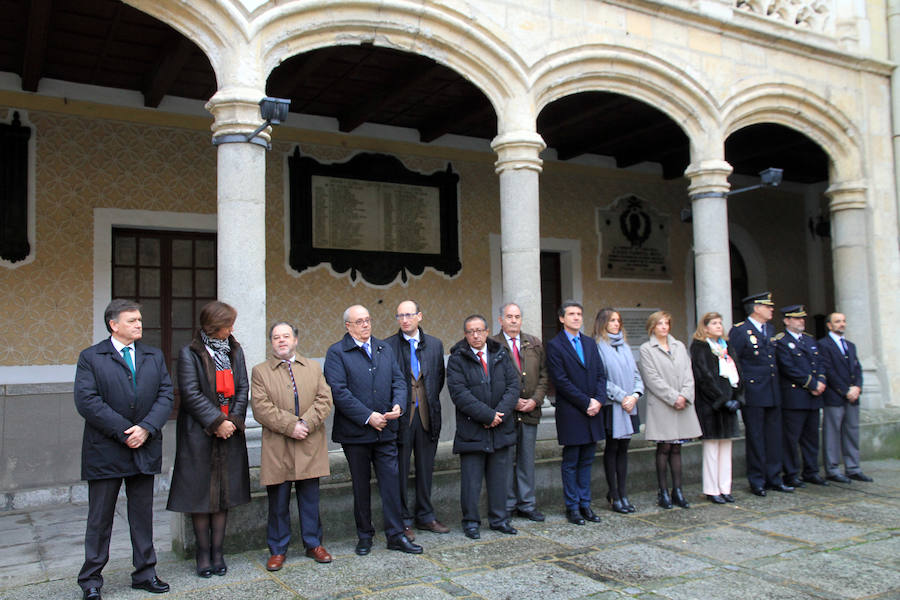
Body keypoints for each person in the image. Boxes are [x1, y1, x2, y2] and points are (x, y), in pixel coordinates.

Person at [74, 299, 174, 600]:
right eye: (132, 320)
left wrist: (146, 428)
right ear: (113, 325)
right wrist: (124, 431)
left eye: (140, 319)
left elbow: (166, 394)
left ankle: (145, 572)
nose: (139, 324)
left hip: (144, 445)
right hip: (106, 449)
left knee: (142, 515)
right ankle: (91, 578)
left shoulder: (153, 356)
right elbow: (87, 401)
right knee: (100, 517)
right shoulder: (92, 357)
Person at [324, 305, 422, 555]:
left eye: (368, 320)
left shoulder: (383, 348)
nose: (366, 325)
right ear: (348, 326)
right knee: (361, 486)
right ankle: (365, 535)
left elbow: (399, 380)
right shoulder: (337, 353)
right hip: (356, 434)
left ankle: (396, 535)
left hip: (386, 431)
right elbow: (339, 392)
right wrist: (368, 417)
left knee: (391, 484)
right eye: (359, 321)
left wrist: (398, 404)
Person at [166, 301, 251, 577]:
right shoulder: (190, 352)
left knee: (223, 495)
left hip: (230, 433)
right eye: (227, 325)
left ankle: (218, 552)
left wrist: (233, 421)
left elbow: (242, 387)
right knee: (201, 495)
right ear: (214, 327)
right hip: (199, 434)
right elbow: (190, 394)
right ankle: (203, 556)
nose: (231, 329)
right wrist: (217, 422)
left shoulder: (235, 350)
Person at [251, 322, 334, 571]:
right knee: (278, 501)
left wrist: (305, 423)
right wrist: (290, 426)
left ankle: (313, 544)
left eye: (286, 336)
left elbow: (324, 399)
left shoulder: (312, 367)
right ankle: (277, 549)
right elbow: (261, 407)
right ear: (271, 342)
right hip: (279, 445)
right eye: (276, 337)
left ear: (296, 340)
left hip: (309, 442)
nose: (281, 341)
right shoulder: (260, 371)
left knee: (310, 499)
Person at [446, 314, 520, 539]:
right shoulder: (457, 358)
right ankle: (470, 522)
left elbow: (513, 385)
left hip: (501, 427)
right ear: (465, 334)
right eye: (470, 331)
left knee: (499, 479)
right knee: (471, 481)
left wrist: (500, 414)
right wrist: (487, 415)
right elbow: (459, 394)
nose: (475, 335)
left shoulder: (501, 353)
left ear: (487, 331)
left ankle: (499, 519)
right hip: (472, 430)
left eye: (479, 330)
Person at [384, 300, 450, 538]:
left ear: (419, 316)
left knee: (426, 469)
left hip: (427, 416)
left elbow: (438, 379)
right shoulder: (388, 346)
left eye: (409, 315)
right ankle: (403, 520)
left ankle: (426, 515)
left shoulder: (434, 344)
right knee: (399, 471)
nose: (404, 320)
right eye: (400, 315)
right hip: (401, 419)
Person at [545, 300, 606, 525]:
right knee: (571, 461)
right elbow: (560, 380)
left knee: (588, 460)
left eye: (579, 314)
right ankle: (572, 506)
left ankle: (585, 504)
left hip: (593, 410)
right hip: (572, 411)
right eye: (571, 314)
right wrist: (585, 402)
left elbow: (601, 374)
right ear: (562, 318)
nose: (576, 318)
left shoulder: (590, 343)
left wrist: (598, 400)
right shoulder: (555, 345)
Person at [729, 292, 793, 496]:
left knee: (774, 437)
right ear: (756, 308)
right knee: (756, 438)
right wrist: (739, 392)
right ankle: (757, 480)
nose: (771, 309)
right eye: (768, 306)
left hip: (773, 391)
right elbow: (735, 362)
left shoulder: (770, 329)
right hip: (754, 393)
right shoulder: (740, 331)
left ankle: (774, 477)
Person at [491, 302, 550, 522]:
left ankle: (527, 504)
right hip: (505, 413)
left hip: (530, 412)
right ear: (500, 320)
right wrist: (510, 402)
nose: (514, 320)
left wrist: (535, 400)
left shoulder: (533, 343)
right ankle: (506, 505)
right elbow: (490, 379)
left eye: (517, 316)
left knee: (526, 460)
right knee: (505, 460)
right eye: (509, 316)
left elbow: (544, 375)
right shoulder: (493, 345)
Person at [638, 310, 701, 509]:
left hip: (682, 404)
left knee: (677, 448)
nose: (664, 327)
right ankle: (663, 491)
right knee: (664, 447)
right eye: (660, 324)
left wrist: (684, 395)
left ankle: (678, 490)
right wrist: (674, 397)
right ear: (652, 327)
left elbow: (688, 373)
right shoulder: (647, 349)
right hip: (663, 405)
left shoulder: (679, 346)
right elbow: (652, 379)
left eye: (666, 323)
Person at [593, 307, 643, 514]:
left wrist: (635, 395)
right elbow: (600, 378)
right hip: (613, 407)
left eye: (618, 321)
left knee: (624, 450)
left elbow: (636, 375)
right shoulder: (597, 346)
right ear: (603, 323)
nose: (616, 324)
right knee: (613, 449)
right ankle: (614, 494)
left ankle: (623, 493)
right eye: (612, 320)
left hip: (629, 406)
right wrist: (622, 397)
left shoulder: (624, 347)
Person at [689, 312, 743, 504]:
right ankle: (712, 489)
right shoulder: (700, 347)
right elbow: (703, 377)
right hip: (711, 405)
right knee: (712, 449)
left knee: (726, 448)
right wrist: (721, 399)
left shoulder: (726, 347)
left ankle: (725, 487)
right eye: (714, 323)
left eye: (720, 323)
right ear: (705, 328)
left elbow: (737, 373)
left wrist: (737, 397)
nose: (719, 326)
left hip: (729, 404)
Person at [775, 304, 828, 487]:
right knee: (791, 439)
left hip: (813, 398)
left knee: (811, 438)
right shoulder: (781, 342)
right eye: (797, 318)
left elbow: (820, 363)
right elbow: (788, 367)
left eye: (802, 318)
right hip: (795, 397)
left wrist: (821, 381)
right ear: (787, 321)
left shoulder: (810, 340)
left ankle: (811, 471)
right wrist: (811, 384)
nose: (801, 321)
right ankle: (791, 474)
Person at [818, 312, 872, 483]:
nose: (842, 324)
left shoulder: (850, 345)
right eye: (837, 321)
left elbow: (857, 368)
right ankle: (832, 469)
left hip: (852, 397)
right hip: (835, 396)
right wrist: (845, 390)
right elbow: (828, 371)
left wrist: (857, 387)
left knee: (852, 432)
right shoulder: (823, 345)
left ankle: (853, 467)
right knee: (832, 434)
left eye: (843, 321)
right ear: (829, 325)